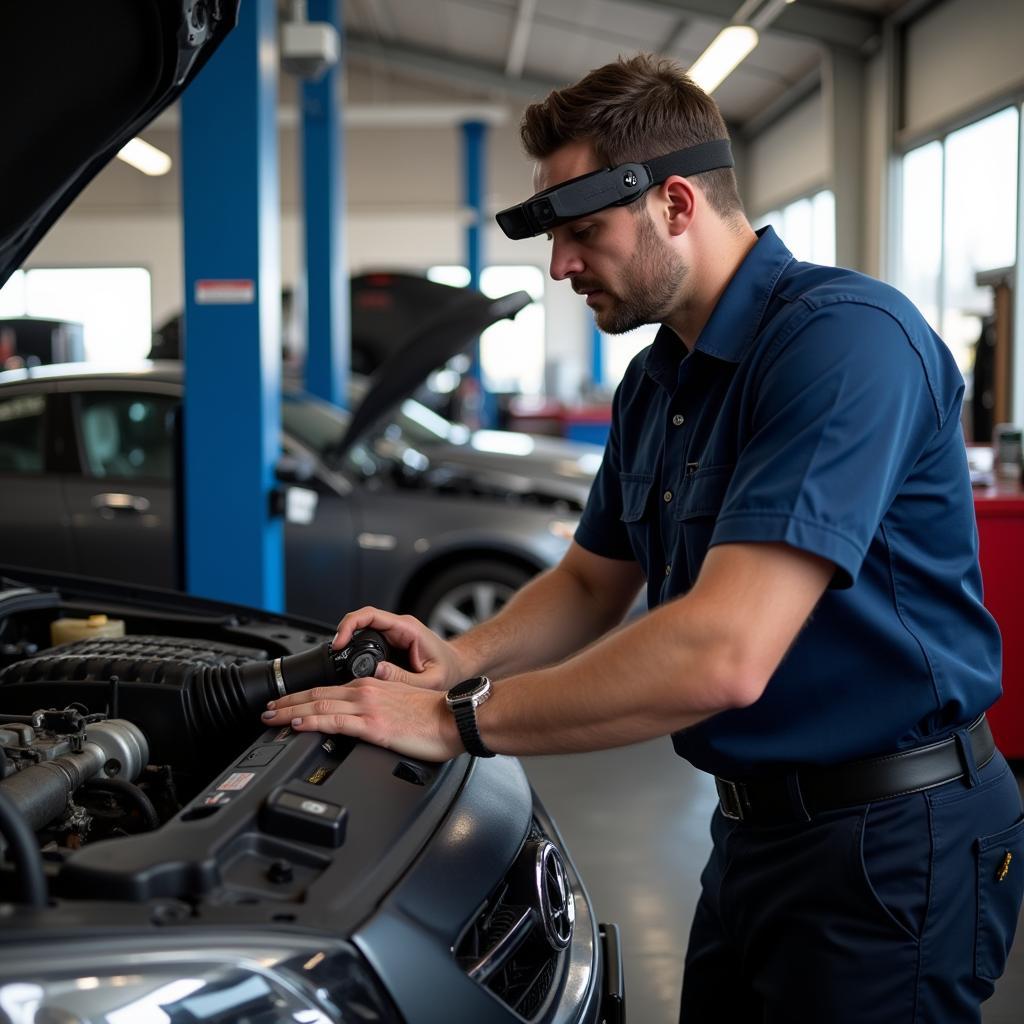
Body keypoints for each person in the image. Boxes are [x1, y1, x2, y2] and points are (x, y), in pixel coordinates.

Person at [260, 54, 1024, 1022]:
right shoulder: (658, 383)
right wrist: (457, 658)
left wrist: (454, 720)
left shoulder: (845, 345)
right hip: (754, 836)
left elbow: (723, 652)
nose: (559, 266)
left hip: (890, 844)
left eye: (582, 233)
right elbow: (587, 583)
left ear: (673, 204)